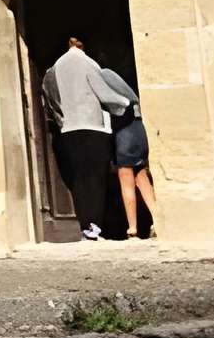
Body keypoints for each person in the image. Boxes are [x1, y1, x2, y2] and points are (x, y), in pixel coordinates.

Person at [43, 33, 133, 240]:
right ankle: (95, 225)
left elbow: (48, 97)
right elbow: (104, 93)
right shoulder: (88, 64)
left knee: (79, 180)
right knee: (95, 179)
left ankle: (85, 225)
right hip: (92, 127)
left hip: (68, 129)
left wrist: (61, 119)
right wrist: (126, 103)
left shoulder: (54, 68)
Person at [95, 56, 159, 240]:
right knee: (141, 177)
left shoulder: (101, 75)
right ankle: (158, 219)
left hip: (125, 131)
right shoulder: (121, 80)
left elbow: (116, 103)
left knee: (126, 180)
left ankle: (132, 227)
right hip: (138, 128)